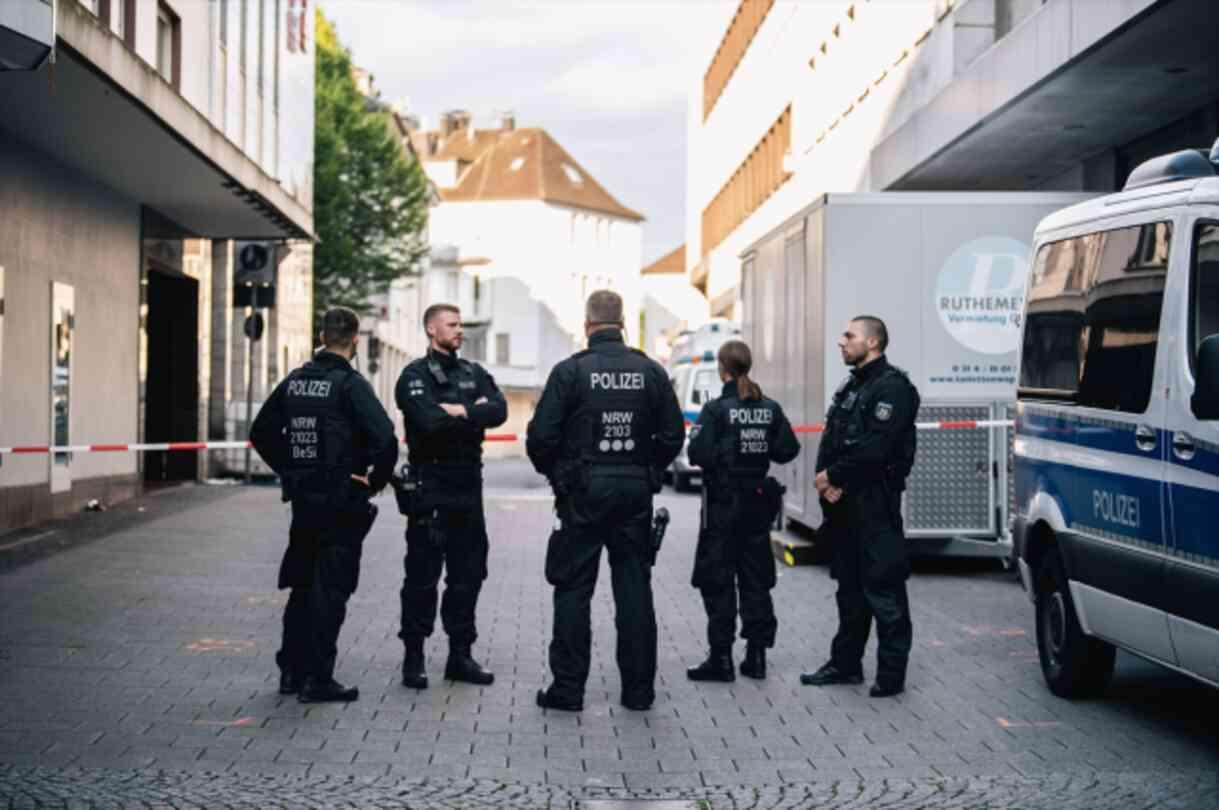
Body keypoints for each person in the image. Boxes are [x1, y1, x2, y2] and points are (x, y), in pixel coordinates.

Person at [526, 290, 684, 712]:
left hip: (582, 493)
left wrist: (559, 477)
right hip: (634, 492)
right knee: (634, 589)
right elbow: (673, 435)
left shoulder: (570, 372)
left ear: (587, 325)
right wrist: (649, 470)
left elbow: (540, 438)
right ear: (623, 323)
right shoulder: (650, 372)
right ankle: (638, 692)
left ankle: (568, 690)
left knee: (573, 589)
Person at [250, 306, 398, 703]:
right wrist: (374, 482)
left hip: (303, 501)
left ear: (320, 336)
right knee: (330, 590)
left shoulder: (296, 381)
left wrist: (289, 469)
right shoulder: (349, 385)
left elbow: (261, 431)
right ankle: (318, 678)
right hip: (340, 501)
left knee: (301, 585)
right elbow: (385, 438)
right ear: (354, 340)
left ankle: (290, 673)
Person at [800, 316, 920, 698]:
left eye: (849, 336)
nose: (841, 341)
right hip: (844, 507)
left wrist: (833, 475)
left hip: (875, 506)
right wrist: (827, 480)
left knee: (883, 590)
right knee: (849, 592)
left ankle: (890, 676)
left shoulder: (893, 389)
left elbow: (876, 449)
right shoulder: (853, 386)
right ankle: (845, 664)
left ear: (872, 342)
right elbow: (836, 439)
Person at [395, 303, 507, 689]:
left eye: (461, 325)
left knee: (468, 574)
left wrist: (457, 411)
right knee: (422, 575)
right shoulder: (414, 375)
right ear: (431, 329)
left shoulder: (474, 372)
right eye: (452, 324)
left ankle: (460, 655)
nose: (460, 331)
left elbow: (499, 410)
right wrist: (471, 414)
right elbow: (427, 420)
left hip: (467, 488)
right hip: (430, 485)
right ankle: (414, 656)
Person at [685, 340, 800, 682]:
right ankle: (757, 656)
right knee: (756, 580)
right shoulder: (770, 408)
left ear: (723, 369)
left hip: (722, 506)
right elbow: (787, 450)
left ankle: (721, 660)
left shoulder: (716, 410)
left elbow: (697, 454)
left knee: (718, 581)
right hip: (757, 507)